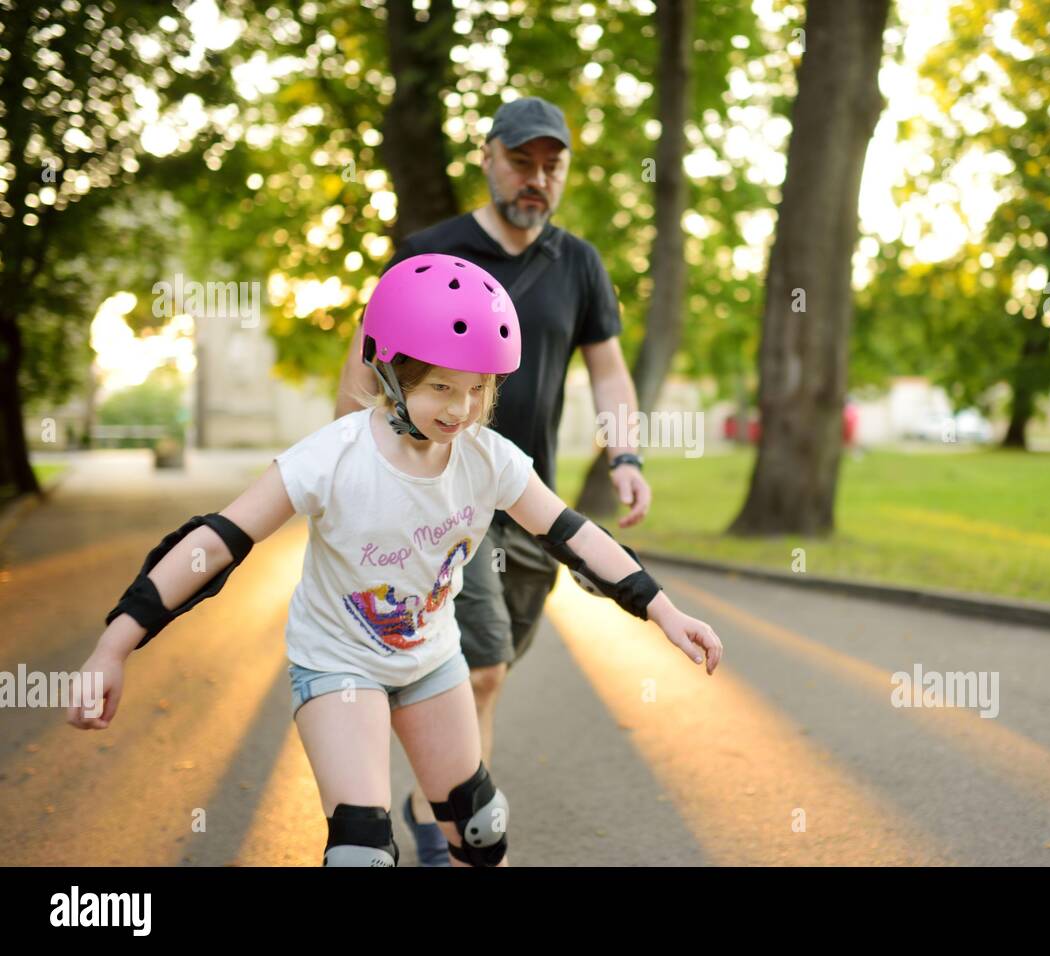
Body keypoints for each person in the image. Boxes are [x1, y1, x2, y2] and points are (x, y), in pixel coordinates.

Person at [67, 254, 723, 867]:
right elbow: (214, 545)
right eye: (440, 387)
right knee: (361, 850)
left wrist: (663, 610)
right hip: (337, 664)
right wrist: (113, 647)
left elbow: (575, 536)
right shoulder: (332, 458)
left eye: (478, 390)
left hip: (431, 661)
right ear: (391, 372)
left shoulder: (487, 459)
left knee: (478, 828)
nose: (461, 410)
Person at [334, 96, 651, 865]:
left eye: (552, 165)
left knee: (490, 669)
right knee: (482, 663)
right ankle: (454, 824)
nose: (536, 178)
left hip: (525, 502)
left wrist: (627, 454)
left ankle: (424, 799)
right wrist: (356, 465)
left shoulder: (578, 262)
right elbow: (361, 371)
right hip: (442, 495)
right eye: (522, 161)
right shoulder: (430, 251)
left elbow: (609, 372)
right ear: (488, 157)